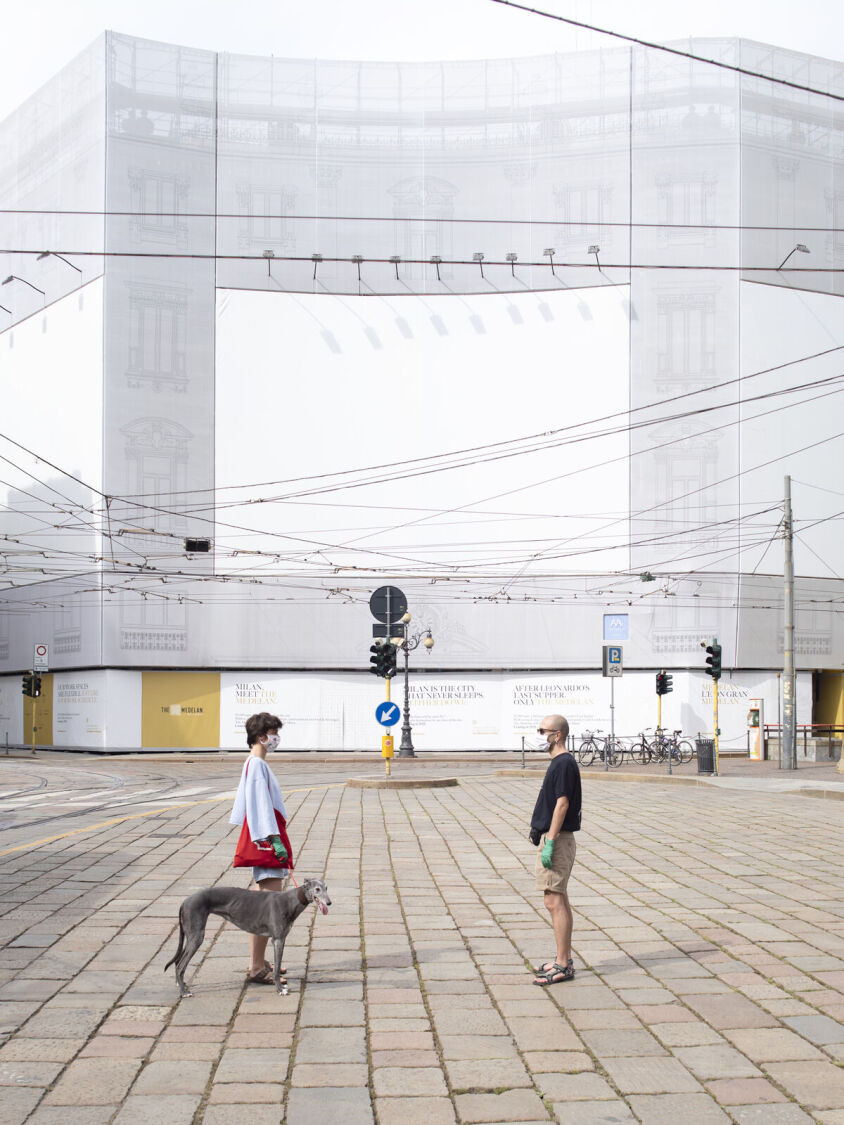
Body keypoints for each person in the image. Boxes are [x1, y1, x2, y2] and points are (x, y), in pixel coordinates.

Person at [229, 711, 293, 984]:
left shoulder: (254, 763)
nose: (276, 738)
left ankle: (259, 961)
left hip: (264, 838)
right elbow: (260, 808)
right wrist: (274, 842)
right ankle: (256, 967)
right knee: (268, 908)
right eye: (273, 733)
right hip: (266, 841)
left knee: (263, 904)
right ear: (260, 736)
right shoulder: (257, 765)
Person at [528, 714, 581, 986]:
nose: (538, 734)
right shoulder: (561, 763)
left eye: (542, 730)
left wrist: (550, 840)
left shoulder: (563, 763)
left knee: (553, 900)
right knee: (559, 898)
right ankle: (564, 959)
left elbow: (562, 804)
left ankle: (563, 964)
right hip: (556, 838)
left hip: (557, 840)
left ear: (556, 735)